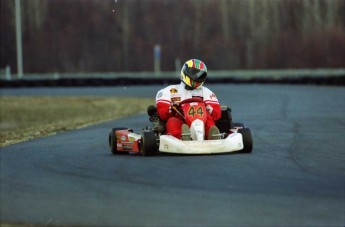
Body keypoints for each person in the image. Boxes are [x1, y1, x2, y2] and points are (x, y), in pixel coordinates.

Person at [155, 59, 221, 140]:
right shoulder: (169, 91)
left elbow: (217, 113)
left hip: (201, 120)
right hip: (180, 120)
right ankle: (182, 137)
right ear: (185, 72)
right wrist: (170, 109)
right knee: (172, 121)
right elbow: (162, 112)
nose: (196, 77)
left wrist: (211, 110)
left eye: (200, 75)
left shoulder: (206, 92)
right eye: (194, 73)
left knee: (208, 119)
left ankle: (212, 136)